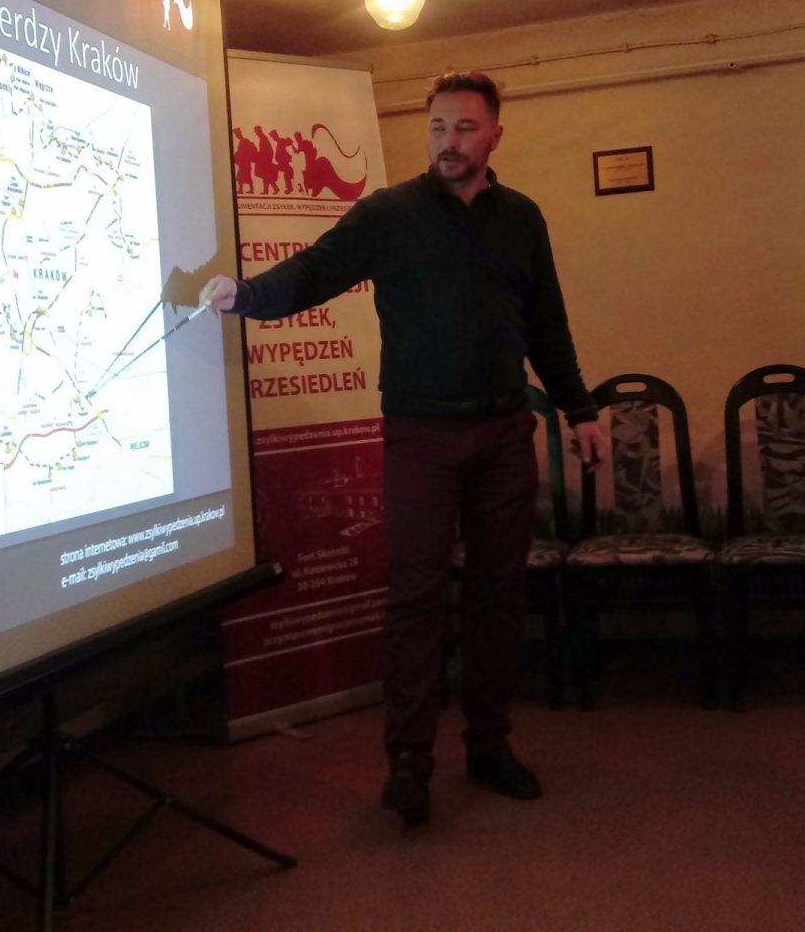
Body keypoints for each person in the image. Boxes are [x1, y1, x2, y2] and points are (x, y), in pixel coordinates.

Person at [200, 71, 606, 827]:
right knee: (416, 597)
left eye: (464, 128)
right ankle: (410, 761)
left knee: (498, 596)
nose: (448, 142)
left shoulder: (523, 218)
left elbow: (546, 323)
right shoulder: (389, 214)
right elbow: (316, 270)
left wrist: (579, 409)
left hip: (503, 434)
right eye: (438, 127)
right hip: (421, 437)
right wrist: (246, 296)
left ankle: (489, 745)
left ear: (495, 135)